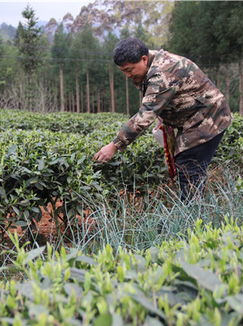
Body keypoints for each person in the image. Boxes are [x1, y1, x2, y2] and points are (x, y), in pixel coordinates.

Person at [93, 37, 232, 202]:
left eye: (129, 70)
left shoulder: (163, 72)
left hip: (208, 118)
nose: (127, 75)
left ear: (144, 59)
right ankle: (194, 211)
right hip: (193, 117)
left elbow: (146, 113)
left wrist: (114, 145)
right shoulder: (149, 64)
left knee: (188, 168)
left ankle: (194, 217)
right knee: (188, 169)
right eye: (123, 71)